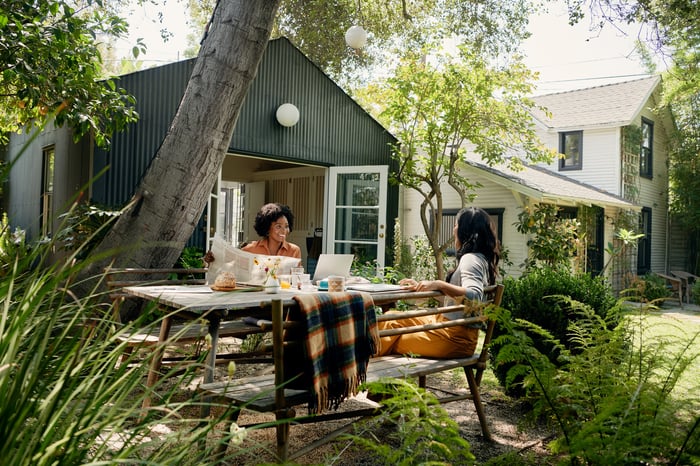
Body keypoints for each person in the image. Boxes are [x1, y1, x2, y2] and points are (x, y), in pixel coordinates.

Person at [377, 207, 500, 359]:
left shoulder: (470, 260)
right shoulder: (480, 259)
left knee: (391, 336)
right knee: (391, 318)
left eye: (456, 225)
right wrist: (423, 287)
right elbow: (462, 304)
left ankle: (356, 370)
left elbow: (474, 295)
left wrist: (438, 284)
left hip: (452, 338)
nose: (454, 229)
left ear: (464, 231)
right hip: (454, 332)